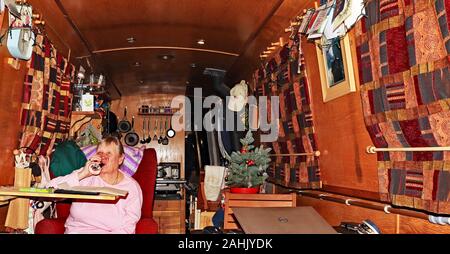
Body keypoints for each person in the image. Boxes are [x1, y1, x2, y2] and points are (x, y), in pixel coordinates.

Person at [48, 136, 143, 234]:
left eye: (109, 153)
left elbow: (127, 228)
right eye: (100, 153)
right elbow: (49, 188)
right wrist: (82, 174)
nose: (103, 157)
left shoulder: (131, 187)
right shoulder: (85, 175)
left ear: (120, 159)